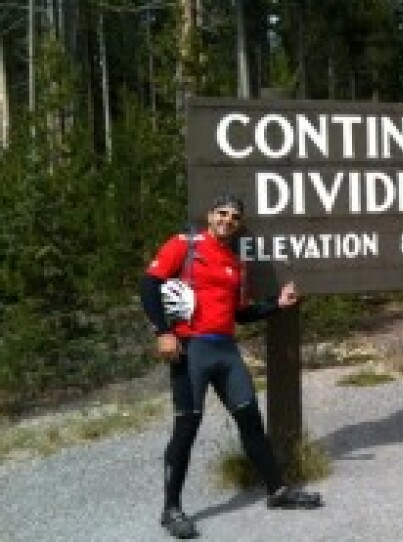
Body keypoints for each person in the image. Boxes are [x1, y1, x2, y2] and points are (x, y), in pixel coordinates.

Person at [139, 193, 323, 539]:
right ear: (210, 215)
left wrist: (277, 305)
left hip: (225, 351)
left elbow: (240, 313)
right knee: (186, 429)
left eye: (234, 217)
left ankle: (277, 492)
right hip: (190, 350)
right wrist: (163, 332)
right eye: (221, 213)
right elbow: (149, 283)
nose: (227, 220)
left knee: (251, 421)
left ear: (239, 224)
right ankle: (171, 509)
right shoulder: (185, 245)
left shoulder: (236, 264)